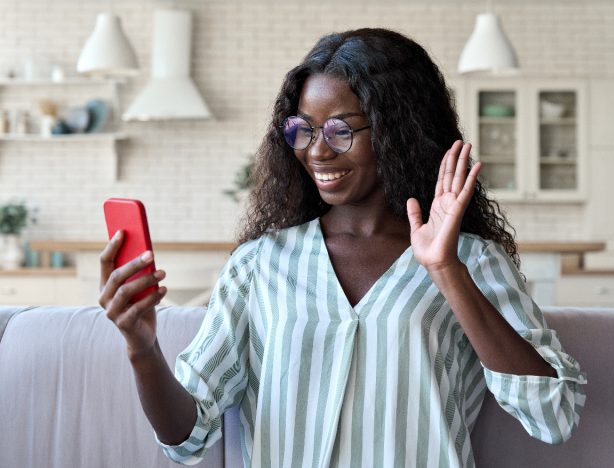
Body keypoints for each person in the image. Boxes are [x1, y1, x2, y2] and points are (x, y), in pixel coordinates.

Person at [99, 28, 586, 467]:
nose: (317, 150)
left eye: (341, 130)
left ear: (397, 129)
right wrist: (142, 349)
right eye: (303, 129)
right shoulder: (259, 265)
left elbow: (554, 415)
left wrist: (445, 270)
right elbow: (187, 436)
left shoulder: (472, 262)